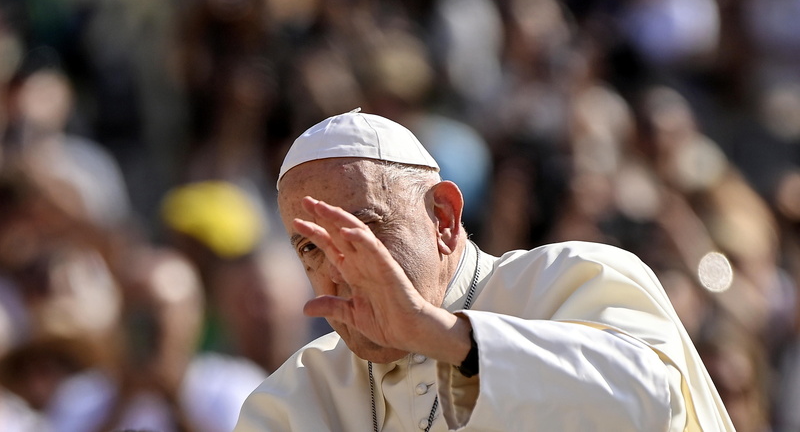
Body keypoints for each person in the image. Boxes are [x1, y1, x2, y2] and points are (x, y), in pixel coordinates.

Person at [235, 109, 735, 431]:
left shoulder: (573, 280)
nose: (340, 270)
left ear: (445, 219)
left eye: (361, 232)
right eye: (311, 248)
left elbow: (648, 404)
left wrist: (448, 337)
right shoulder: (291, 403)